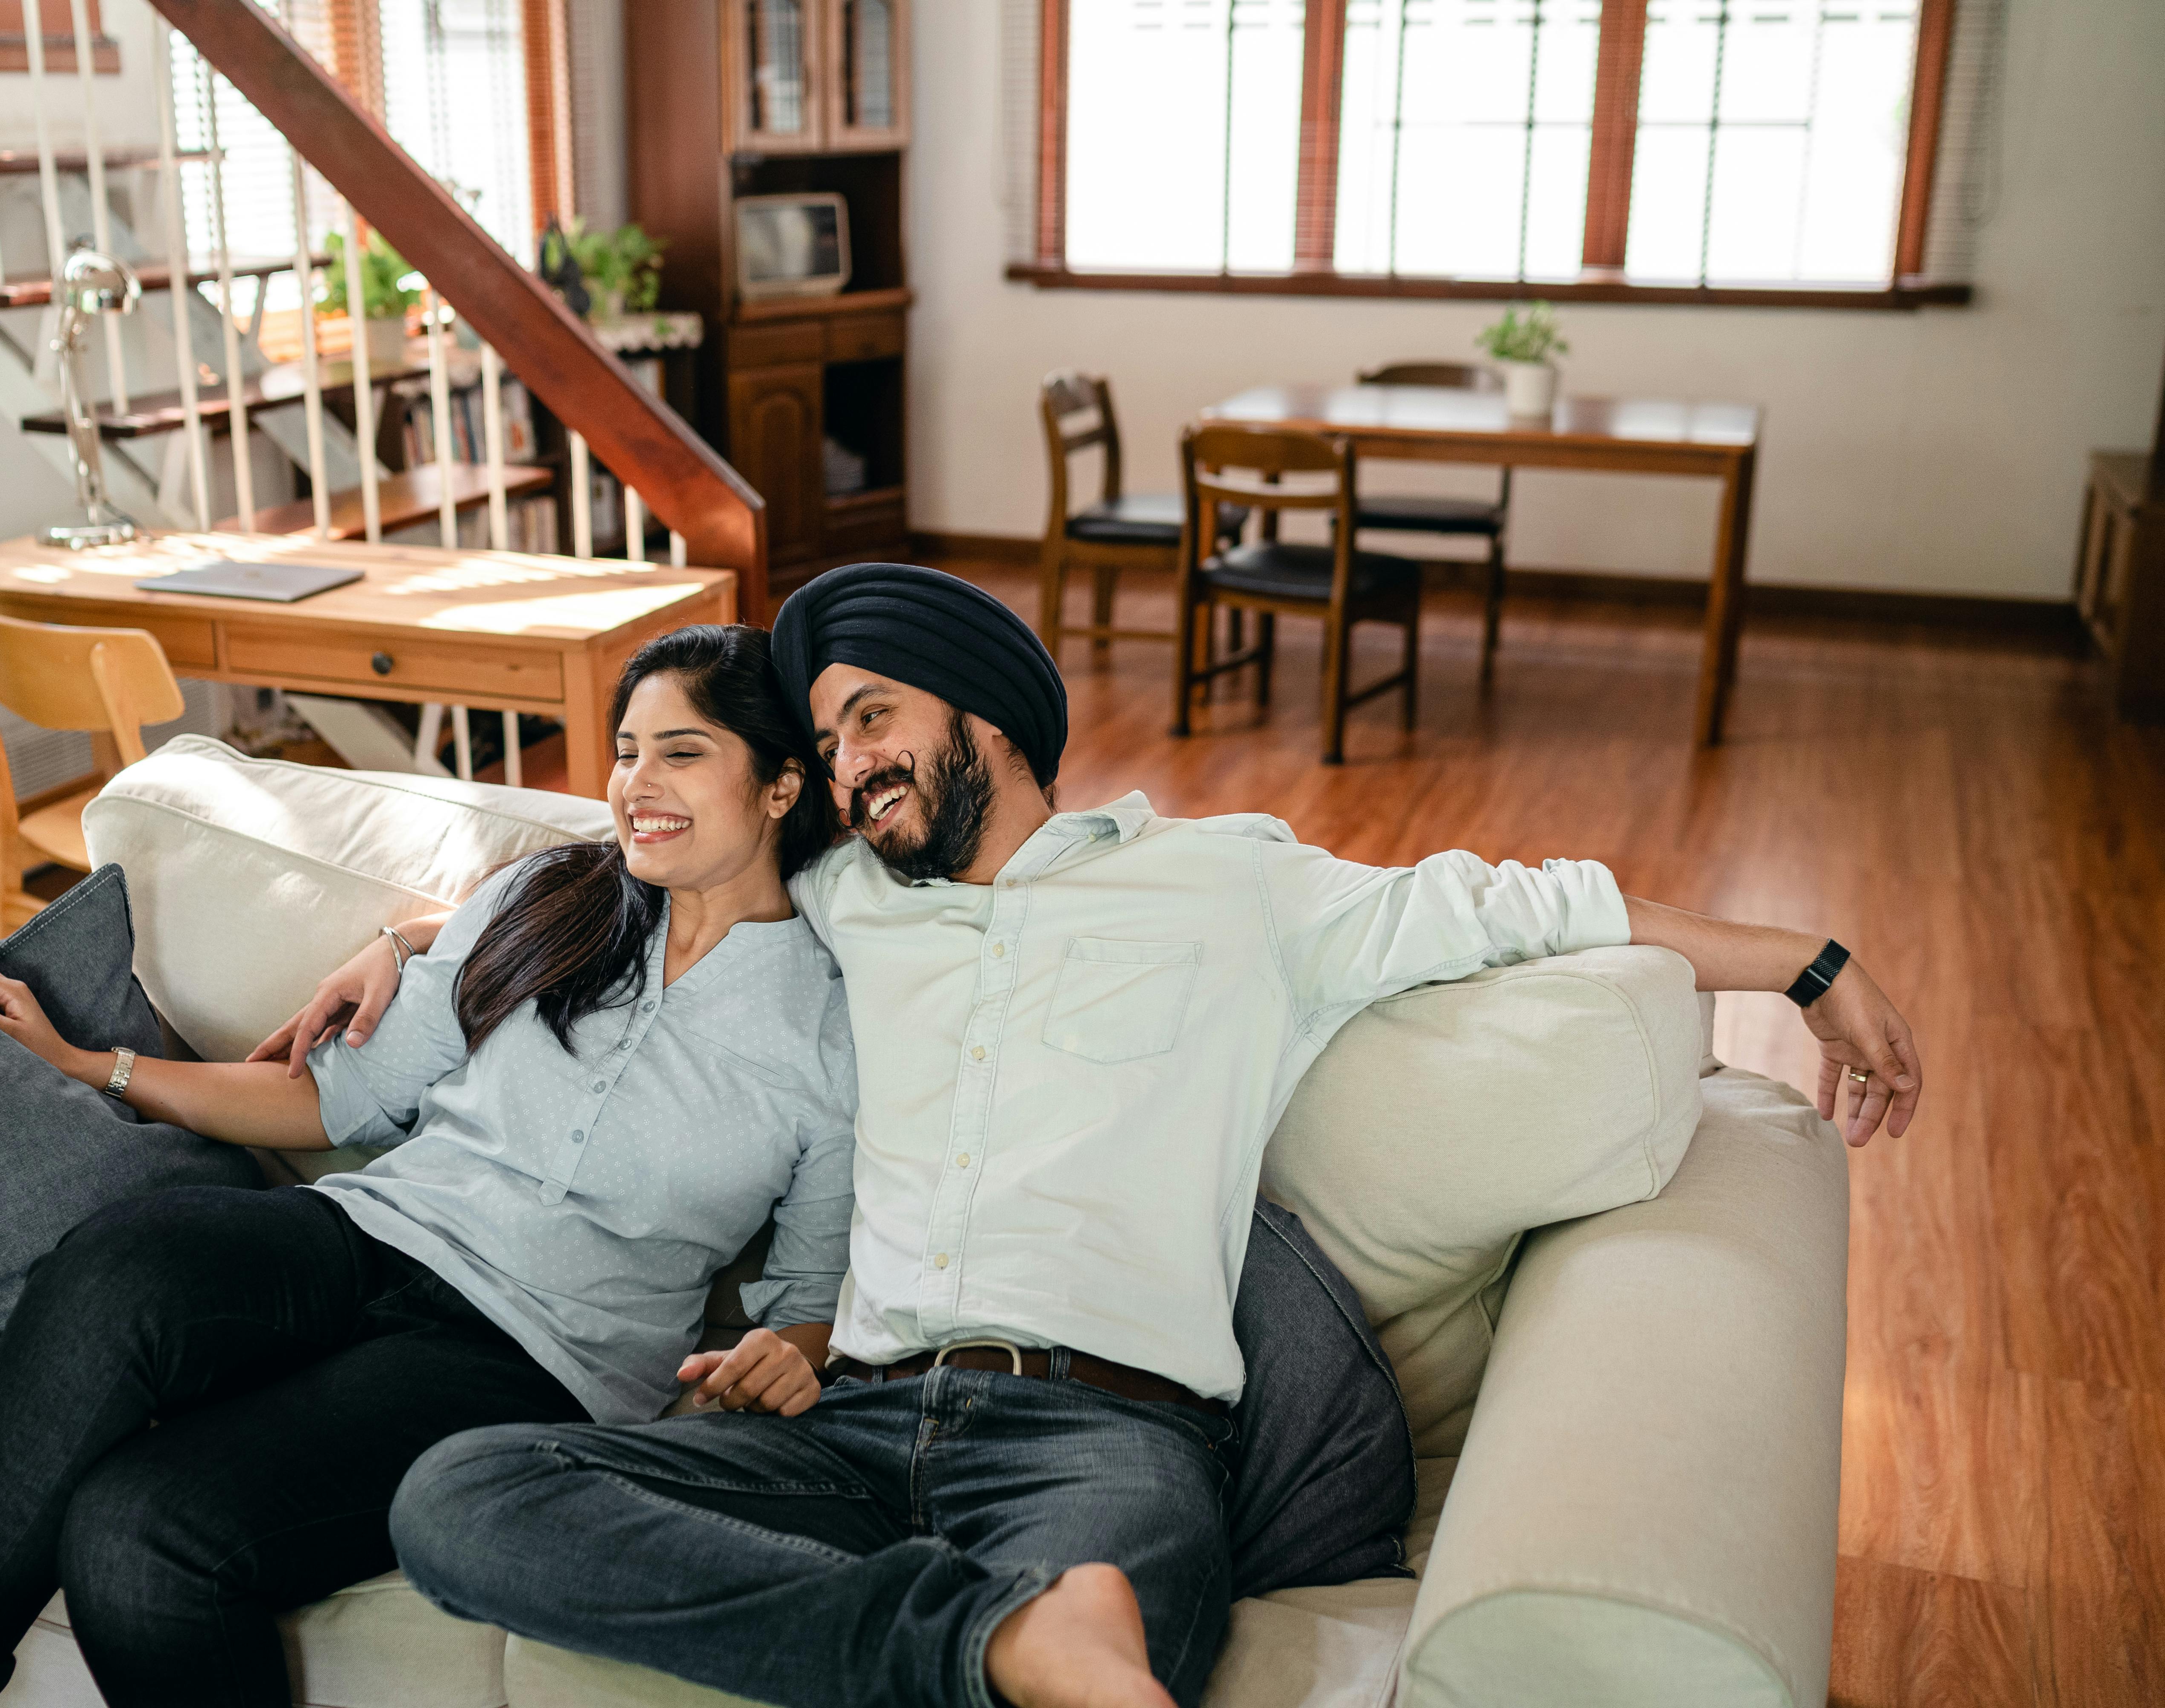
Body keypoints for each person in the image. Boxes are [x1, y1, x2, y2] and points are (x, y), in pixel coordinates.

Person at [369, 564, 1920, 1708]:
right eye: (829, 743)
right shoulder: (846, 901)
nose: (846, 767)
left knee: (1135, 1628)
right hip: (844, 1425)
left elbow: (1526, 903)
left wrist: (1807, 960)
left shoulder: (1232, 886)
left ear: (980, 709)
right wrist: (410, 938)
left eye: (872, 720)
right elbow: (654, 854)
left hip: (1103, 1438)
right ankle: (983, 1642)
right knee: (459, 1495)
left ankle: (1000, 1635)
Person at [0, 625, 858, 1708]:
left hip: (533, 1352)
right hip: (369, 1232)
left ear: (781, 783)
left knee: (139, 1531)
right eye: (624, 750)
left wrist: (788, 1354)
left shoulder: (834, 1025)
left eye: (682, 752)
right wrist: (91, 1063)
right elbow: (340, 1098)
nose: (635, 785)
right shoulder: (552, 897)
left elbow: (808, 1297)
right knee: (111, 1269)